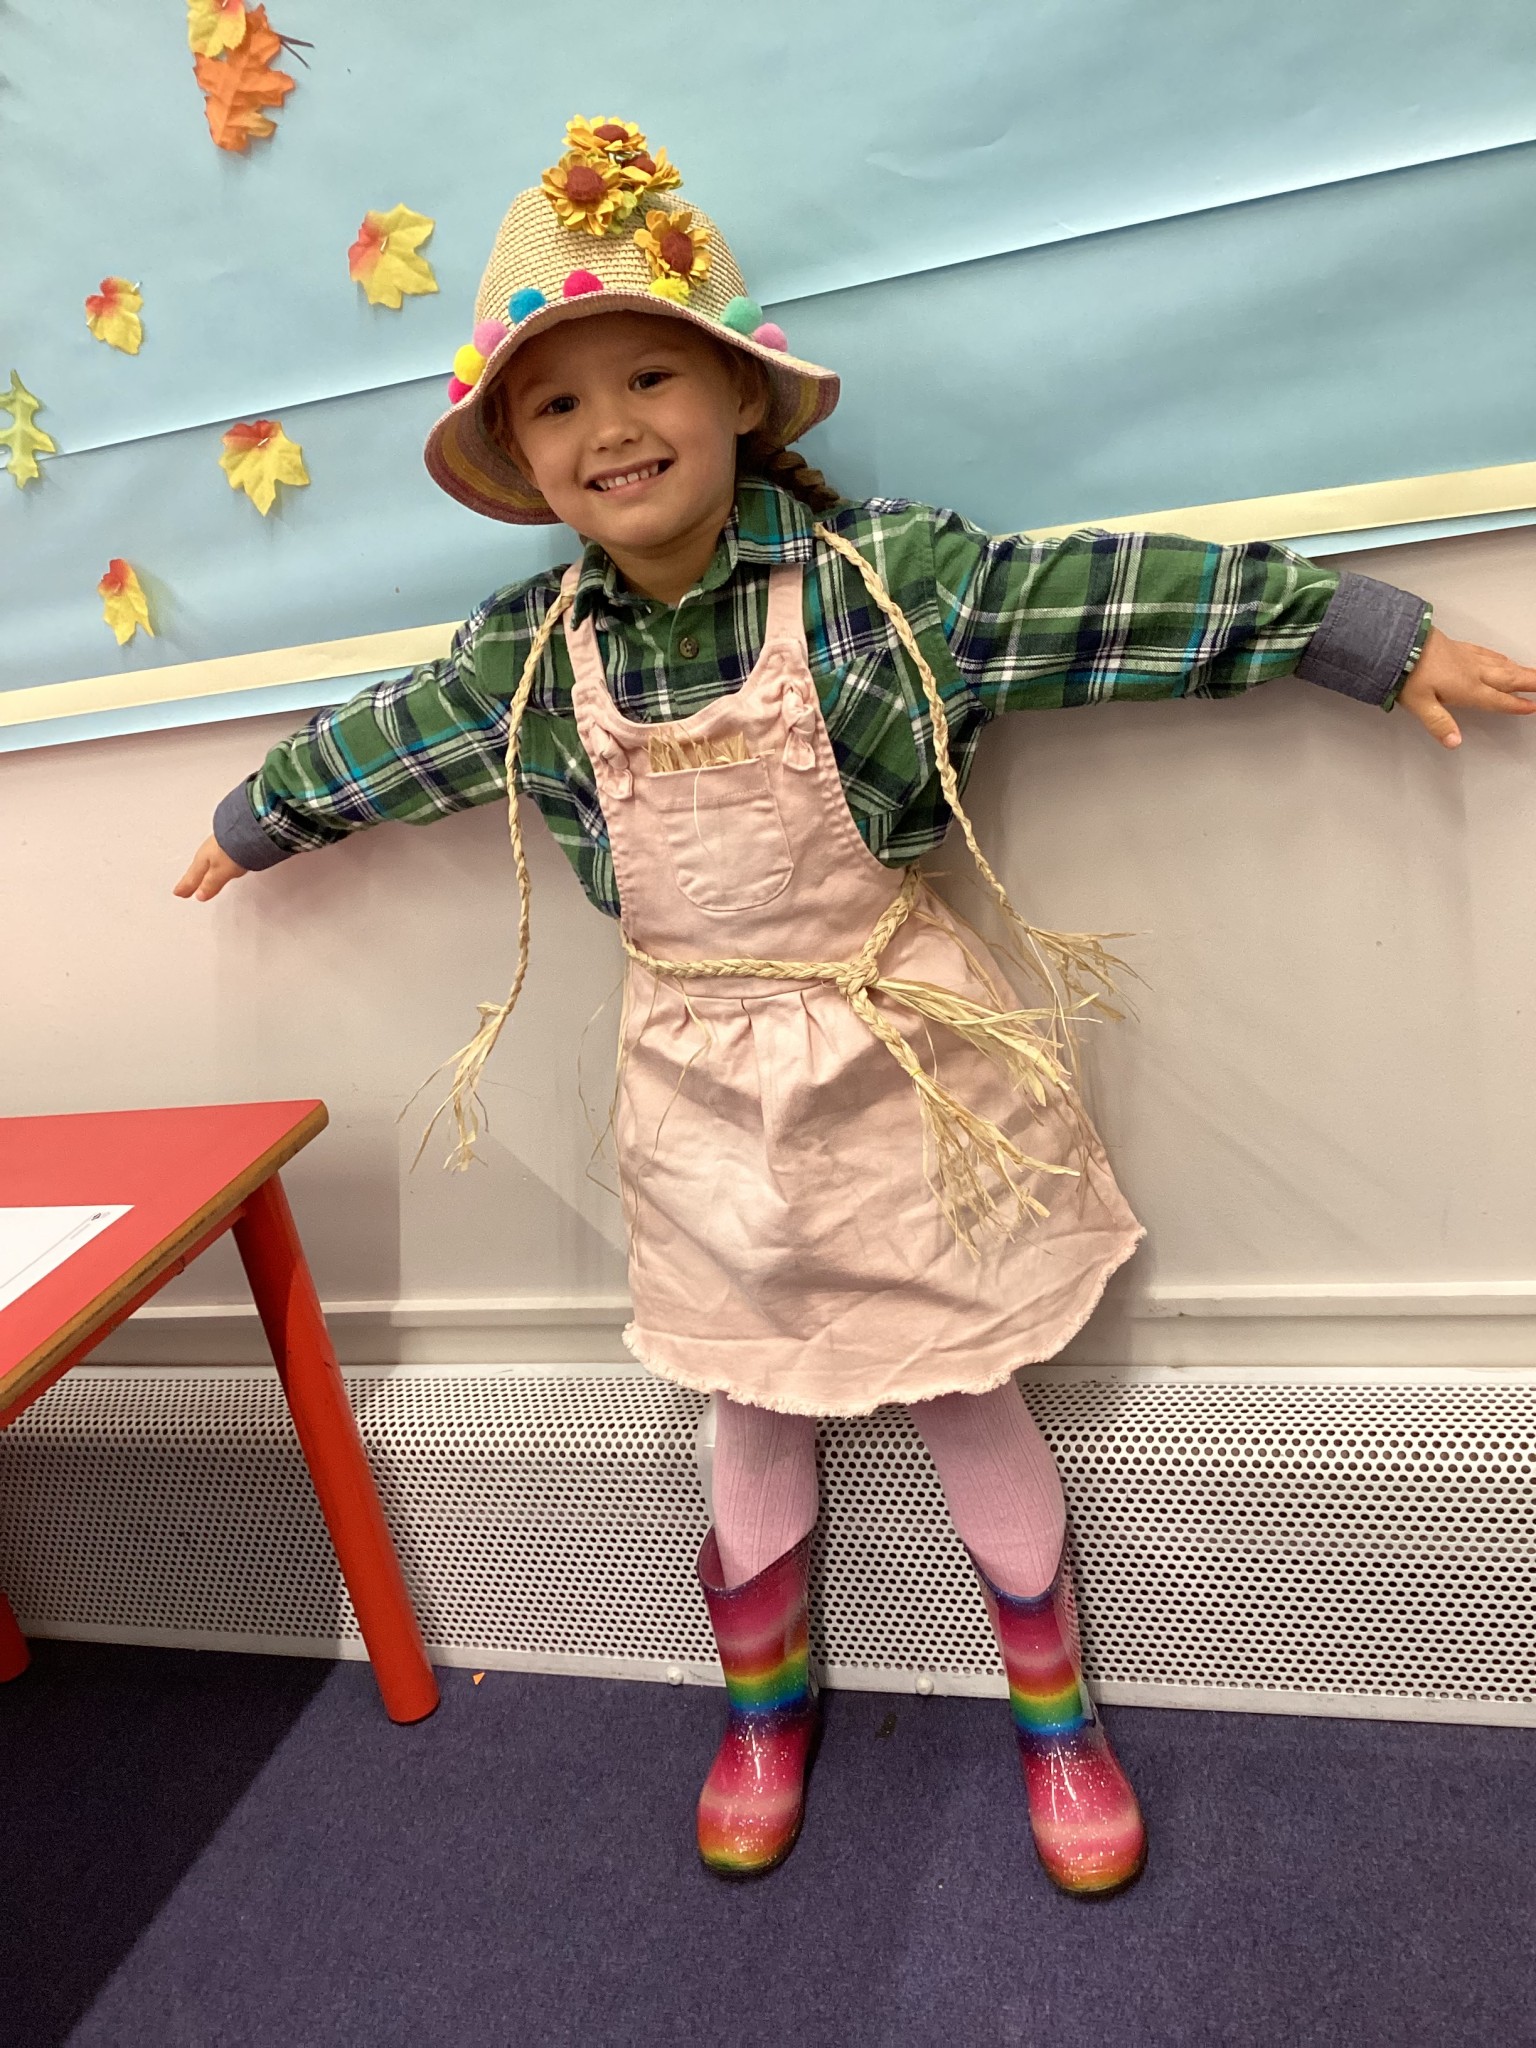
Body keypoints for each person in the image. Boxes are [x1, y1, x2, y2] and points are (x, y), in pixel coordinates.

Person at [176, 118, 1536, 1896]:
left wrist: (1361, 637)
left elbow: (1116, 596)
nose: (614, 427)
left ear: (742, 393)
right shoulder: (528, 653)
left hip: (907, 1064)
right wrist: (254, 817)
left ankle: (1055, 1712)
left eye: (651, 371)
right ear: (520, 454)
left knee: (967, 1383)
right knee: (752, 1397)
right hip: (694, 1090)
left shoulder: (890, 585)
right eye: (559, 405)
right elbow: (395, 737)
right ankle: (763, 1705)